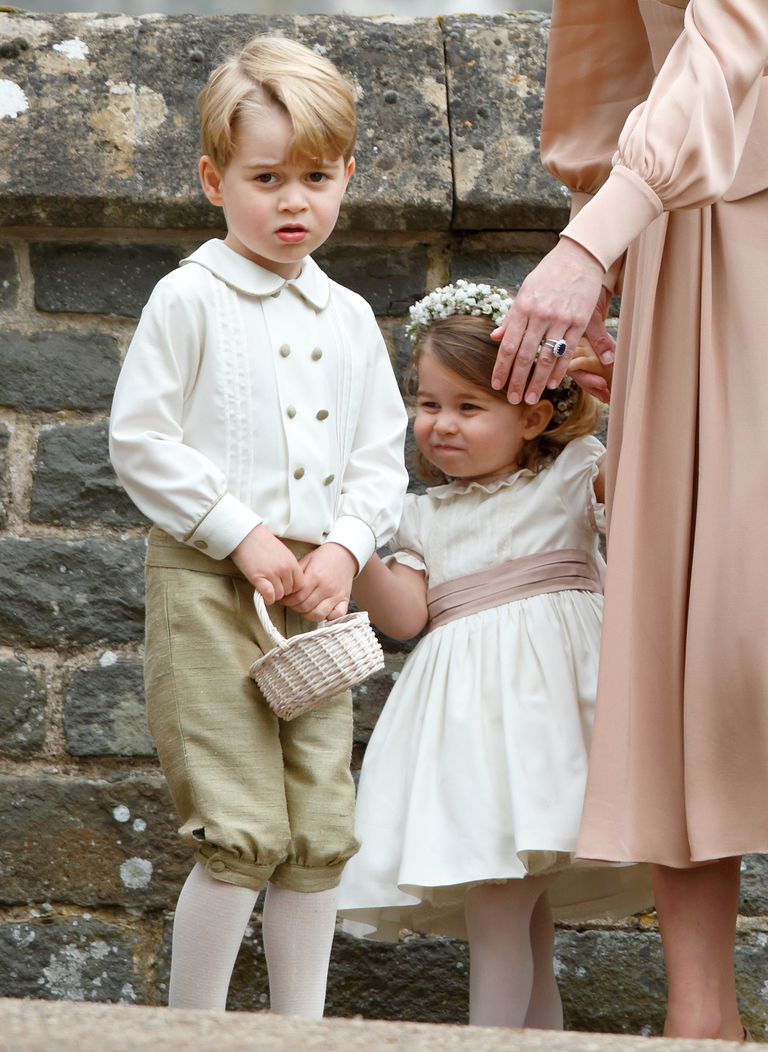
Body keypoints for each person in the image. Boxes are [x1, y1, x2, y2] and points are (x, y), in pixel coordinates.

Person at [108, 35, 408, 1017]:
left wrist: (347, 547)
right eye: (267, 176)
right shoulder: (188, 297)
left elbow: (379, 454)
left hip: (317, 595)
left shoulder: (351, 316)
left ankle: (300, 1031)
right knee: (240, 825)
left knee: (318, 821)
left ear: (346, 175)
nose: (293, 201)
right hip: (209, 582)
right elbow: (142, 437)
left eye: (315, 177)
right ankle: (192, 1029)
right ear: (213, 178)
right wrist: (240, 531)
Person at [490, 1, 768, 1040]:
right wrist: (602, 228)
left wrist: (591, 239)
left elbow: (741, 32)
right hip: (688, 236)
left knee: (746, 630)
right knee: (683, 627)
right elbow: (606, 40)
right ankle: (703, 1021)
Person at [337, 282, 650, 1030]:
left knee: (503, 899)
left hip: (555, 723)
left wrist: (628, 385)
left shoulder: (573, 475)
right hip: (473, 735)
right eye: (429, 403)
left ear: (533, 415)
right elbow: (406, 616)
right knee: (512, 903)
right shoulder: (419, 516)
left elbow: (643, 486)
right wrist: (346, 542)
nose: (442, 425)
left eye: (469, 407)